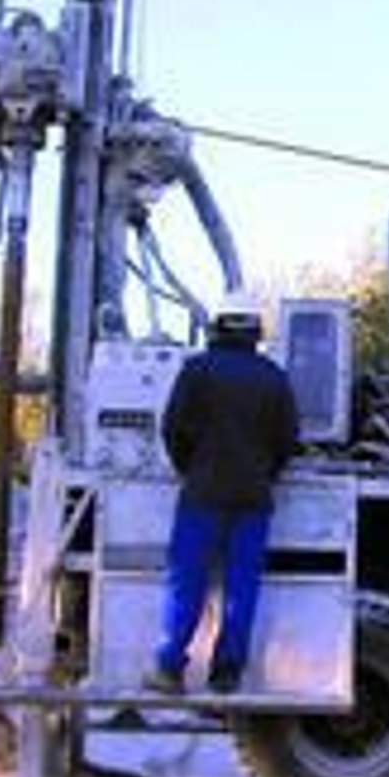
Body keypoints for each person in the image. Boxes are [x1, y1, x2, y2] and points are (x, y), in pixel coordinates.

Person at [144, 292, 299, 695]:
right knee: (241, 587)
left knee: (187, 580)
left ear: (218, 326)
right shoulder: (274, 376)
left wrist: (190, 469)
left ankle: (169, 667)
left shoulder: (197, 370)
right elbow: (287, 440)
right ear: (254, 330)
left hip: (203, 494)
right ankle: (227, 672)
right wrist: (265, 474)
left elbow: (172, 429)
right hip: (253, 500)